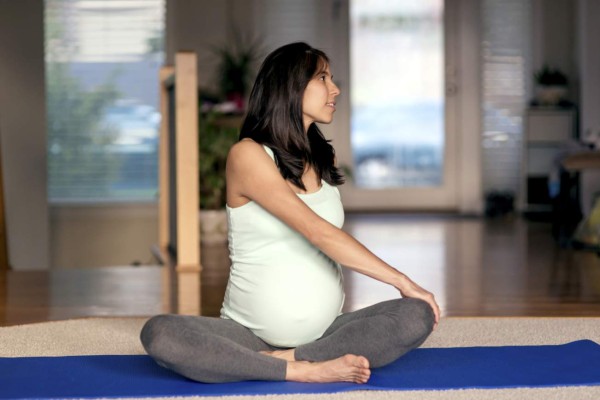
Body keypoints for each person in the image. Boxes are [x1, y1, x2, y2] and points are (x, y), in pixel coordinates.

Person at [141, 42, 440, 384]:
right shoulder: (248, 155)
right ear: (291, 87)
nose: (335, 89)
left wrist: (410, 295)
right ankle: (300, 370)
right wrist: (402, 281)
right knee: (160, 333)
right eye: (323, 78)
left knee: (417, 315)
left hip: (328, 333)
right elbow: (317, 231)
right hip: (248, 334)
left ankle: (287, 360)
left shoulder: (322, 158)